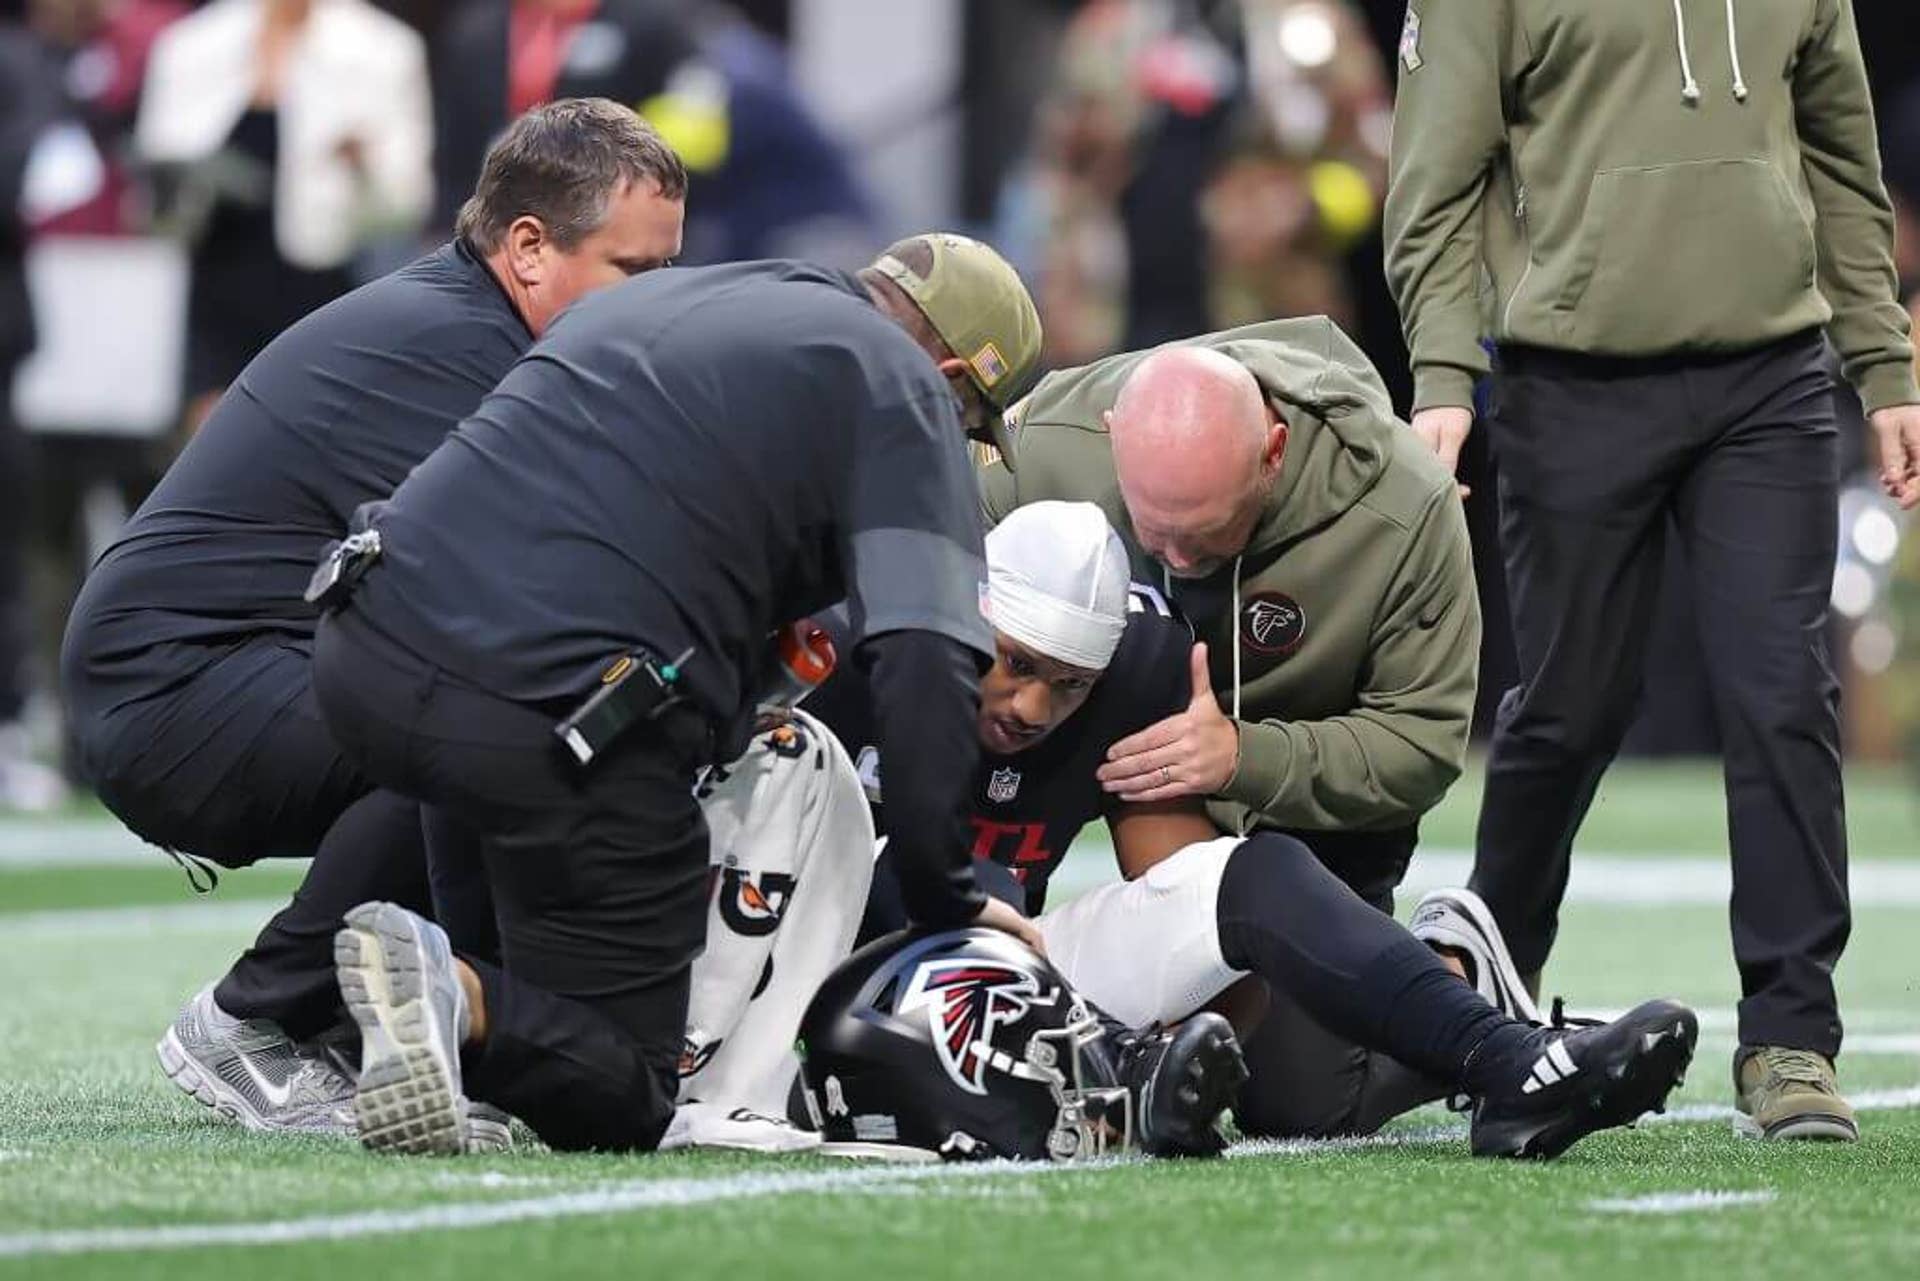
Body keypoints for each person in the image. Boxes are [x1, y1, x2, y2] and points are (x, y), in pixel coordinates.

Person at [313, 233, 1047, 1156]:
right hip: (546, 710)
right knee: (628, 1088)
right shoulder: (898, 383)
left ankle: (456, 1012)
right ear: (947, 372)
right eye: (974, 422)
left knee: (519, 969)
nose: (964, 445)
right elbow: (925, 659)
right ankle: (449, 994)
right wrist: (947, 893)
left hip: (365, 643)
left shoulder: (676, 296)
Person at [60, 99, 687, 1136]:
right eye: (638, 273)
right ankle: (255, 1023)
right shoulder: (462, 353)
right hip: (173, 688)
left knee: (536, 714)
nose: (663, 305)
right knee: (495, 730)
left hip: (233, 663)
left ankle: (403, 1029)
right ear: (528, 249)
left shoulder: (476, 330)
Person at [1382, 0, 1920, 1142]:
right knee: (1571, 707)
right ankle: (1483, 999)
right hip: (1569, 381)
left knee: (1782, 689)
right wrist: (1439, 378)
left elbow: (1842, 156)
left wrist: (1886, 364)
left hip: (1769, 377)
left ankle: (1790, 1036)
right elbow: (1435, 179)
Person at [821, 500, 1698, 1160]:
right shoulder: (857, 650)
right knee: (961, 890)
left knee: (1252, 876)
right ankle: (1126, 1075)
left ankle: (1509, 1057)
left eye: (1070, 682)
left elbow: (1185, 896)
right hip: (837, 991)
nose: (1034, 707)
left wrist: (1212, 996)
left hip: (1025, 984)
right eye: (1013, 664)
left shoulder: (1140, 663)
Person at [979, 318, 1479, 1139]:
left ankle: (1448, 973)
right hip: (1136, 771)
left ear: (1273, 453)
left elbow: (1422, 745)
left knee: (1301, 1104)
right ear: (1111, 444)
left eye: (1203, 530)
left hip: (1307, 815)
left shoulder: (1406, 505)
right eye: (1152, 526)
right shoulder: (1044, 446)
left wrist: (1245, 756)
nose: (1173, 556)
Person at [136, 0, 433, 431]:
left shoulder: (383, 50)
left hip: (324, 293)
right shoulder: (192, 46)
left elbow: (407, 201)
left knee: (310, 448)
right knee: (214, 457)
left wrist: (361, 164)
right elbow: (155, 188)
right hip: (216, 292)